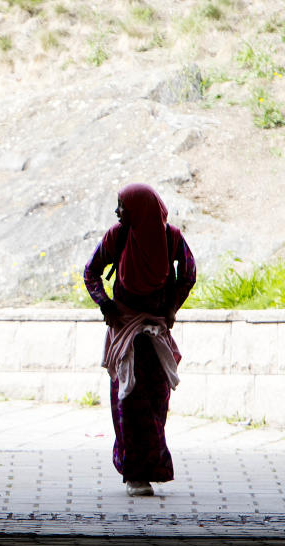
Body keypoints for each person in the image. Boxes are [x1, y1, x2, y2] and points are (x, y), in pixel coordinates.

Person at [83, 183, 196, 497]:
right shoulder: (116, 238)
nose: (118, 212)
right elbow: (91, 272)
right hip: (125, 333)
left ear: (141, 209)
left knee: (156, 402)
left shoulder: (171, 238)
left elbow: (188, 273)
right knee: (127, 399)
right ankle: (134, 474)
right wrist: (105, 304)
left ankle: (153, 467)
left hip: (156, 334)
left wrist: (172, 308)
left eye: (123, 206)